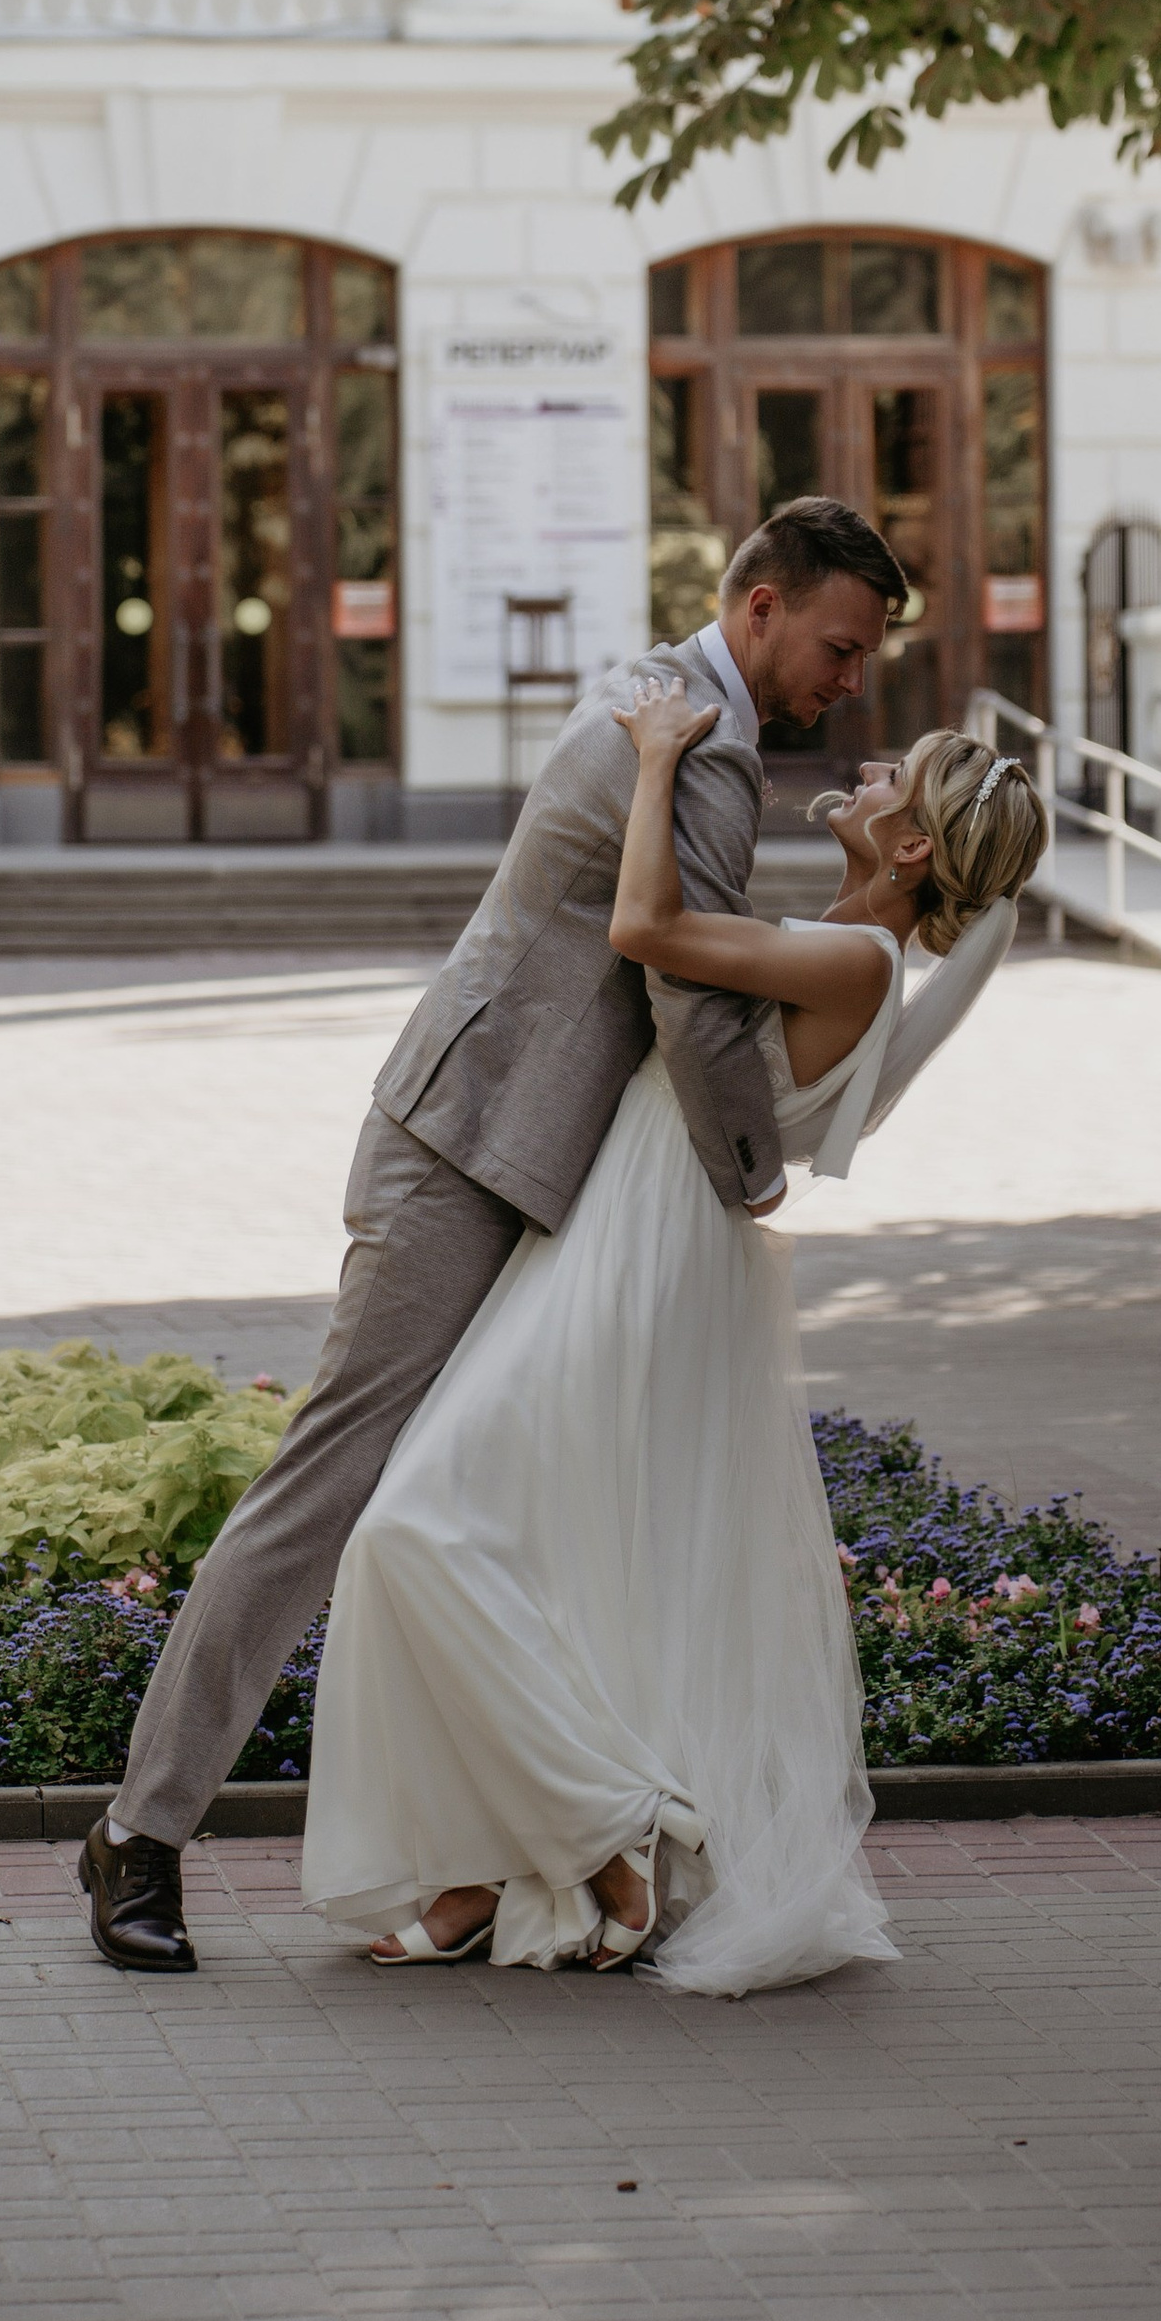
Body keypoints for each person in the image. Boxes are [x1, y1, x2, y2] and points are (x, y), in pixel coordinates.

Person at [80, 493, 906, 1973]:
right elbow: (691, 1008)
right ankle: (139, 1837)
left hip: (535, 1173)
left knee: (486, 1513)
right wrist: (749, 1169)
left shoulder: (677, 713)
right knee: (333, 1489)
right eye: (839, 648)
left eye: (865, 661)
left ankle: (495, 1865)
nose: (850, 682)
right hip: (464, 1154)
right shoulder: (696, 752)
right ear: (762, 606)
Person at [300, 690, 1047, 1992]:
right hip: (623, 1230)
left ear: (915, 847)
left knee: (416, 1529)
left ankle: (605, 1837)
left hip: (648, 1250)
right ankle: (487, 1875)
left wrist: (653, 765)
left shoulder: (855, 963)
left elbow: (647, 928)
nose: (866, 769)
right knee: (531, 1550)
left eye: (896, 773)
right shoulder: (838, 944)